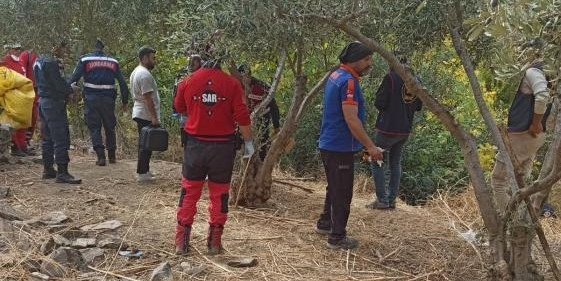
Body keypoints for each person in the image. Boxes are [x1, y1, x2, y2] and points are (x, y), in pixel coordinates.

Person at [173, 54, 254, 256]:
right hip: (223, 148)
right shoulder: (232, 83)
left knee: (189, 193)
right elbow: (242, 115)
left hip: (195, 146)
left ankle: (181, 243)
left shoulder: (187, 81)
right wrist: (249, 142)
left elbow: (179, 107)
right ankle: (214, 244)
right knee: (220, 196)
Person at [316, 41, 383, 250]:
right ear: (354, 60)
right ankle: (337, 238)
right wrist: (371, 146)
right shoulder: (349, 82)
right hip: (339, 146)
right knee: (343, 192)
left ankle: (325, 224)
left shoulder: (336, 75)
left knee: (334, 187)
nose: (370, 64)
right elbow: (351, 119)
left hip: (330, 143)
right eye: (366, 60)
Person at [491, 58, 551, 213]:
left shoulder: (534, 71)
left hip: (524, 134)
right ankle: (521, 221)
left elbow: (543, 96)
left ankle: (509, 222)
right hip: (532, 136)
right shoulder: (550, 72)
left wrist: (536, 123)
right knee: (521, 182)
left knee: (498, 179)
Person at [366, 57, 422, 210]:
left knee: (377, 160)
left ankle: (382, 200)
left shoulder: (391, 78)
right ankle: (391, 200)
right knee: (395, 164)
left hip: (387, 128)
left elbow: (379, 102)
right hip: (404, 130)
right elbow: (418, 106)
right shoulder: (416, 80)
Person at [70, 39, 130, 166]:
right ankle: (112, 156)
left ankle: (101, 157)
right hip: (108, 99)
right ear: (103, 48)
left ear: (94, 48)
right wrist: (125, 101)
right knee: (109, 126)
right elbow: (123, 83)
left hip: (91, 99)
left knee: (94, 127)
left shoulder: (85, 60)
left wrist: (67, 91)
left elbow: (74, 78)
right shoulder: (113, 61)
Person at [34, 40, 82, 184]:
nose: (65, 52)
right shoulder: (51, 63)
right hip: (54, 103)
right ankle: (62, 172)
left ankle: (48, 169)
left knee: (47, 137)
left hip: (43, 101)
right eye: (64, 48)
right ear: (57, 46)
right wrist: (70, 89)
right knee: (60, 137)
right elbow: (58, 84)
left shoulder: (39, 60)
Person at [237, 64, 281, 161]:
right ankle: (248, 165)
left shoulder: (261, 87)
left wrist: (276, 126)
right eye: (240, 77)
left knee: (262, 144)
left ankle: (260, 166)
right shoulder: (237, 87)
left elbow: (274, 107)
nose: (243, 80)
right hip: (246, 121)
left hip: (261, 120)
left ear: (249, 75)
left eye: (244, 76)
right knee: (243, 142)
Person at [130, 46, 159, 182]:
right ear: (144, 58)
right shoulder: (144, 74)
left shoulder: (138, 72)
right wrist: (153, 117)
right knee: (146, 144)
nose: (154, 61)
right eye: (152, 58)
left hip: (141, 112)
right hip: (145, 114)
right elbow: (147, 98)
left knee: (146, 143)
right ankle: (142, 172)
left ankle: (145, 169)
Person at [3, 42, 31, 157]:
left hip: (23, 95)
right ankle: (15, 146)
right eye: (16, 49)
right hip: (12, 95)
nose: (18, 51)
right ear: (10, 50)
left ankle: (22, 145)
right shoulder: (5, 61)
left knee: (22, 121)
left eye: (19, 49)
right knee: (13, 122)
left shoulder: (20, 61)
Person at [173, 54, 203, 147]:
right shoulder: (205, 79)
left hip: (187, 117)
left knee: (188, 145)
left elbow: (177, 104)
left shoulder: (184, 80)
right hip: (198, 118)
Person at [20, 48, 39, 148]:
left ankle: (27, 141)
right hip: (28, 89)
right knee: (27, 115)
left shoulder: (42, 55)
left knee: (34, 116)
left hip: (38, 90)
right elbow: (22, 72)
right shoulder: (26, 55)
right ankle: (22, 143)